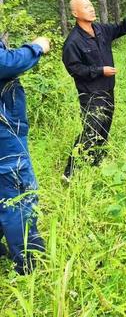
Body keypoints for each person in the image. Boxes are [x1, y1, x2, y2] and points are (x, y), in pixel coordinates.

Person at [62, 0, 126, 179]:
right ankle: (69, 173)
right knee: (91, 131)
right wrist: (100, 71)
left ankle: (96, 164)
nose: (91, 9)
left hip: (108, 90)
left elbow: (121, 28)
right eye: (86, 7)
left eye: (91, 5)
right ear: (75, 13)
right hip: (91, 94)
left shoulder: (100, 29)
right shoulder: (73, 42)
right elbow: (74, 68)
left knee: (104, 129)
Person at [0, 35, 50, 274]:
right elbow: (5, 62)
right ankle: (29, 263)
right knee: (19, 195)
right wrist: (36, 48)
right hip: (4, 134)